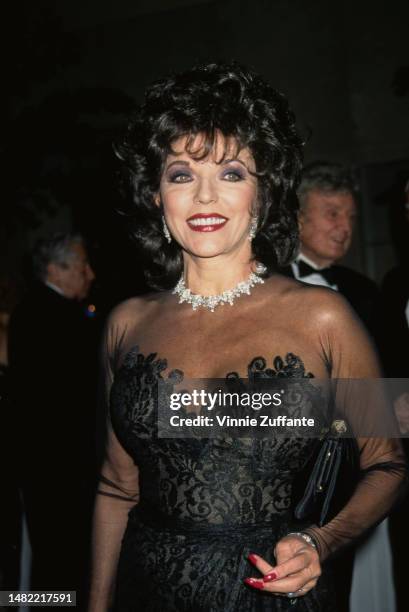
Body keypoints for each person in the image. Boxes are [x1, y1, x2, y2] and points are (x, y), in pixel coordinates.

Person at [88, 62, 406, 612]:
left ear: (261, 196)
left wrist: (318, 541)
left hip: (267, 595)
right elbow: (117, 487)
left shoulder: (324, 316)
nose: (205, 196)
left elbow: (388, 462)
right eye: (182, 173)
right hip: (148, 588)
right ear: (159, 196)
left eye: (232, 173)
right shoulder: (126, 323)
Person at [8, 233, 97, 609]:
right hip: (59, 464)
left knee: (51, 554)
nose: (91, 274)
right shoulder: (56, 316)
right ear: (55, 270)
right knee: (60, 556)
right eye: (81, 267)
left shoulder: (37, 310)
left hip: (47, 462)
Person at [282, 162, 380, 341]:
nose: (346, 227)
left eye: (351, 217)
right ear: (298, 219)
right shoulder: (265, 283)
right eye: (333, 214)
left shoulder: (366, 291)